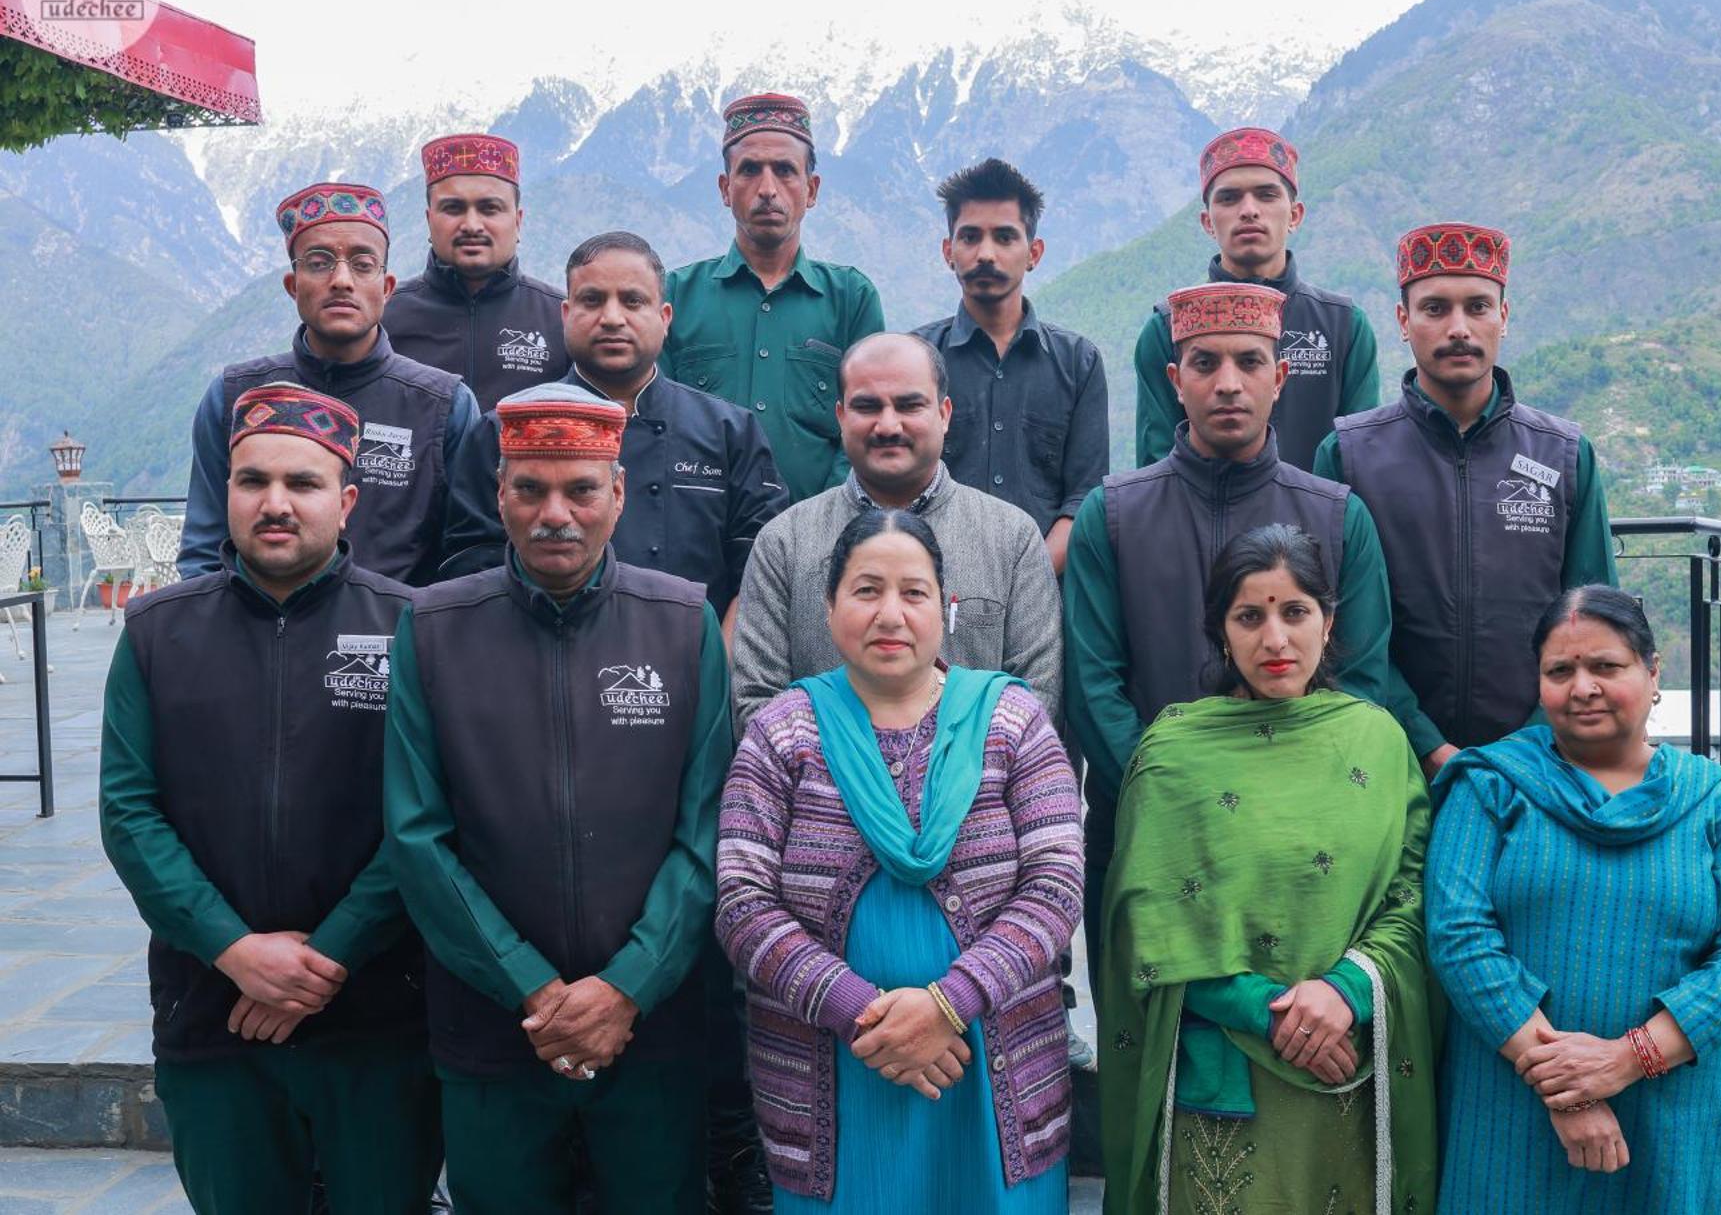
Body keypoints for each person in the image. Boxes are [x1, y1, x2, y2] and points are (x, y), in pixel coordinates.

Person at [383, 384, 732, 1213]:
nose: (555, 514)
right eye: (531, 488)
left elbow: (709, 828)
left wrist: (627, 988)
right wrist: (535, 990)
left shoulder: (682, 623)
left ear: (616, 491)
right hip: (495, 1033)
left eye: (580, 488)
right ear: (498, 491)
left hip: (653, 1032)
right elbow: (417, 836)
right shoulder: (432, 628)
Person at [102, 384, 439, 1212]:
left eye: (303, 482)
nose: (275, 503)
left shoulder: (418, 629)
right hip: (212, 1007)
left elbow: (427, 817)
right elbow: (130, 813)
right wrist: (234, 950)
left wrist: (324, 958)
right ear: (225, 492)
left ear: (348, 499)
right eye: (253, 481)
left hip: (375, 1013)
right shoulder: (156, 633)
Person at [715, 509, 1082, 1213]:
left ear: (945, 607)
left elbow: (1056, 884)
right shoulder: (781, 731)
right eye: (866, 590)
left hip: (988, 1064)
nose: (890, 613)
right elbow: (741, 900)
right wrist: (861, 1012)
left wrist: (949, 1003)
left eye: (913, 592)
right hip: (837, 1067)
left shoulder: (1012, 721)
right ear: (828, 608)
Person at [1063, 282, 1398, 999]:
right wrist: (1176, 804)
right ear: (1172, 380)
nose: (1227, 382)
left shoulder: (1338, 518)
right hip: (1146, 841)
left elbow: (1360, 687)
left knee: (1300, 1055)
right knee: (1153, 1075)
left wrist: (1276, 815)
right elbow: (1094, 686)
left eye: (1249, 361)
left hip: (1304, 850)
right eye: (1204, 362)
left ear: (1280, 378)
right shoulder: (1113, 515)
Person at [1097, 523, 1436, 1215]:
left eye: (1294, 612)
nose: (1275, 640)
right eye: (1249, 616)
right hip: (1224, 1080)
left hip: (1351, 1064)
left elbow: (1415, 892)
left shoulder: (1377, 737)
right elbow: (1147, 927)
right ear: (1221, 629)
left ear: (1329, 620)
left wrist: (1346, 991)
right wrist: (1273, 1014)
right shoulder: (1174, 751)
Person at [1426, 585, 1721, 1213]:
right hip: (1513, 1113)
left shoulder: (1712, 800)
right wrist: (1577, 1094)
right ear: (1539, 684)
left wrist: (1626, 1060)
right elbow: (1461, 939)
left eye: (1606, 667)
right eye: (1560, 671)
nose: (1582, 687)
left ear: (1652, 671)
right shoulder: (1490, 786)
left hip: (1668, 1116)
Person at [1314, 222, 1615, 772]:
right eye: (1434, 309)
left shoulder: (1565, 455)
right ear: (1404, 322)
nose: (1458, 328)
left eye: (1478, 306)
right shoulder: (1349, 455)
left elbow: (1595, 619)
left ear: (1505, 316)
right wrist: (1428, 744)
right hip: (1387, 761)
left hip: (1543, 764)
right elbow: (1343, 629)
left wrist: (1531, 744)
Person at [441, 230, 788, 633]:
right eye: (592, 300)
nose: (612, 318)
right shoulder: (505, 428)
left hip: (693, 662)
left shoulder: (730, 430)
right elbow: (470, 565)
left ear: (665, 318)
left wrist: (720, 660)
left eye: (633, 300)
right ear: (566, 315)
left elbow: (763, 563)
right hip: (538, 657)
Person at [731, 333, 1061, 732]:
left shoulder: (1012, 538)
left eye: (909, 405)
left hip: (976, 791)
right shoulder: (785, 542)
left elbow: (1036, 696)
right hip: (818, 791)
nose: (888, 425)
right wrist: (838, 783)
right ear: (840, 417)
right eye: (867, 407)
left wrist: (949, 780)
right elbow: (756, 700)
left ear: (944, 413)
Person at [180, 182, 478, 585]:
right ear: (293, 285)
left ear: (386, 288)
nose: (341, 280)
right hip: (255, 638)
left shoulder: (443, 405)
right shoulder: (234, 397)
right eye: (319, 262)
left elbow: (469, 556)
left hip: (402, 638)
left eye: (362, 263)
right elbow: (204, 552)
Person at [663, 93, 885, 501]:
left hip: (820, 543)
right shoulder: (674, 296)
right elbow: (657, 423)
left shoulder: (851, 299)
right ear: (725, 188)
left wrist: (824, 519)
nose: (767, 188)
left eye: (784, 170)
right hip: (698, 541)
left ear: (811, 189)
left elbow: (869, 426)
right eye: (750, 170)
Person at [1133, 127, 1378, 469]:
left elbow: (1360, 455)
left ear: (1295, 215)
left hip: (1320, 520)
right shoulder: (1166, 328)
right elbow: (1155, 464)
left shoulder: (1343, 325)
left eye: (1266, 195)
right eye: (1229, 198)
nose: (1248, 210)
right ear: (1208, 221)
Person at [912, 157, 1107, 574]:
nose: (985, 254)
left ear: (1033, 252)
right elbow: (895, 483)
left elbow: (1085, 500)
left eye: (1004, 237)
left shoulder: (1078, 363)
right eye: (970, 237)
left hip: (1043, 598)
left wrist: (1023, 580)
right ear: (949, 251)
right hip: (930, 592)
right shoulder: (915, 359)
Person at [382, 132, 570, 410]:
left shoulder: (562, 320)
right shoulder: (385, 317)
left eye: (489, 209)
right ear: (429, 220)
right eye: (453, 208)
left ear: (517, 221)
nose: (472, 225)